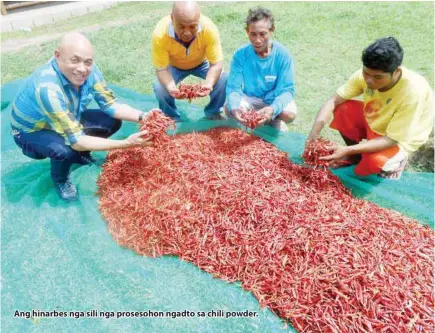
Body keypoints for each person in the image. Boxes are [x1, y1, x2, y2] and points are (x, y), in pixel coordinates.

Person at [11, 32, 153, 202]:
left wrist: (144, 116)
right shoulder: (47, 88)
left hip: (66, 117)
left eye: (88, 62)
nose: (82, 69)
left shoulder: (90, 71)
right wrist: (126, 144)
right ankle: (61, 179)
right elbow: (76, 140)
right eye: (74, 60)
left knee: (111, 121)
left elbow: (110, 105)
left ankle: (80, 155)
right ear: (58, 56)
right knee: (64, 149)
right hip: (31, 131)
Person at [307, 37, 433, 179]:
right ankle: (355, 157)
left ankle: (400, 159)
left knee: (374, 162)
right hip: (378, 120)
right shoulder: (367, 75)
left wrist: (347, 150)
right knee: (343, 109)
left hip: (401, 137)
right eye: (366, 73)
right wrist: (313, 135)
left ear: (396, 72)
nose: (369, 80)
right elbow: (333, 101)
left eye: (377, 77)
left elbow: (392, 139)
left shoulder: (413, 91)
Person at [225, 6, 297, 132]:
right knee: (229, 108)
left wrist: (273, 108)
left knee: (289, 114)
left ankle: (273, 119)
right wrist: (236, 108)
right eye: (253, 34)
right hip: (250, 98)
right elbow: (233, 87)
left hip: (273, 98)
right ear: (247, 31)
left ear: (271, 30)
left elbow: (287, 90)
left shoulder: (283, 55)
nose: (257, 40)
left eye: (263, 34)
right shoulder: (240, 55)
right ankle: (262, 119)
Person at [152, 1, 227, 121]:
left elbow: (216, 64)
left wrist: (208, 84)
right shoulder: (160, 34)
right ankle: (171, 117)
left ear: (199, 19)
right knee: (160, 87)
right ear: (172, 18)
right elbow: (161, 69)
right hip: (175, 66)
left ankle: (213, 113)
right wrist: (171, 87)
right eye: (181, 26)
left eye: (193, 27)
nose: (187, 33)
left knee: (222, 79)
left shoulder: (209, 29)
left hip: (201, 63)